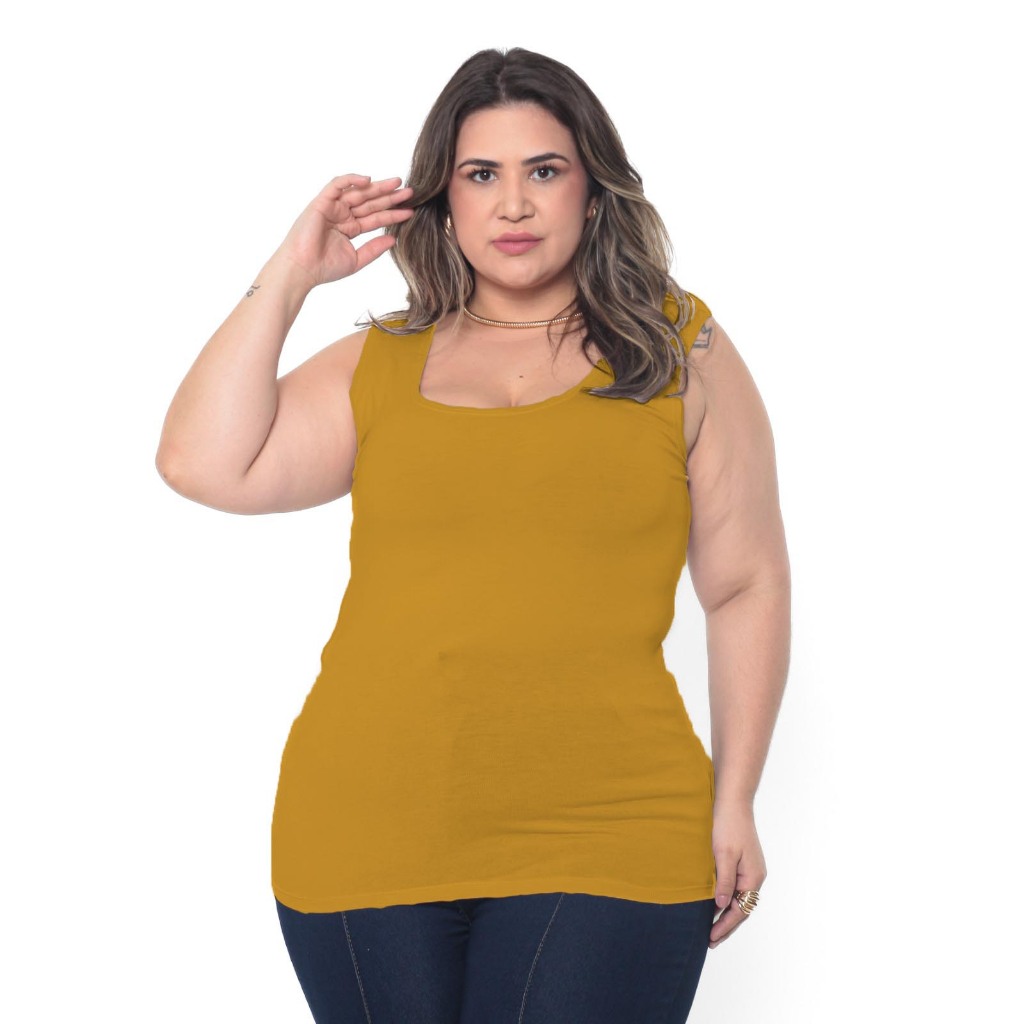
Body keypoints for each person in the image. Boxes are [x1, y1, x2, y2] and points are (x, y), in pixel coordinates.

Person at [156, 46, 790, 1024]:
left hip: (613, 819)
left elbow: (745, 582)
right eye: (481, 175)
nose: (514, 204)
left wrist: (735, 794)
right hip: (368, 821)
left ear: (593, 189)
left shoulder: (676, 347)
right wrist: (290, 276)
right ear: (442, 199)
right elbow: (201, 462)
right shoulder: (380, 362)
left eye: (545, 170)